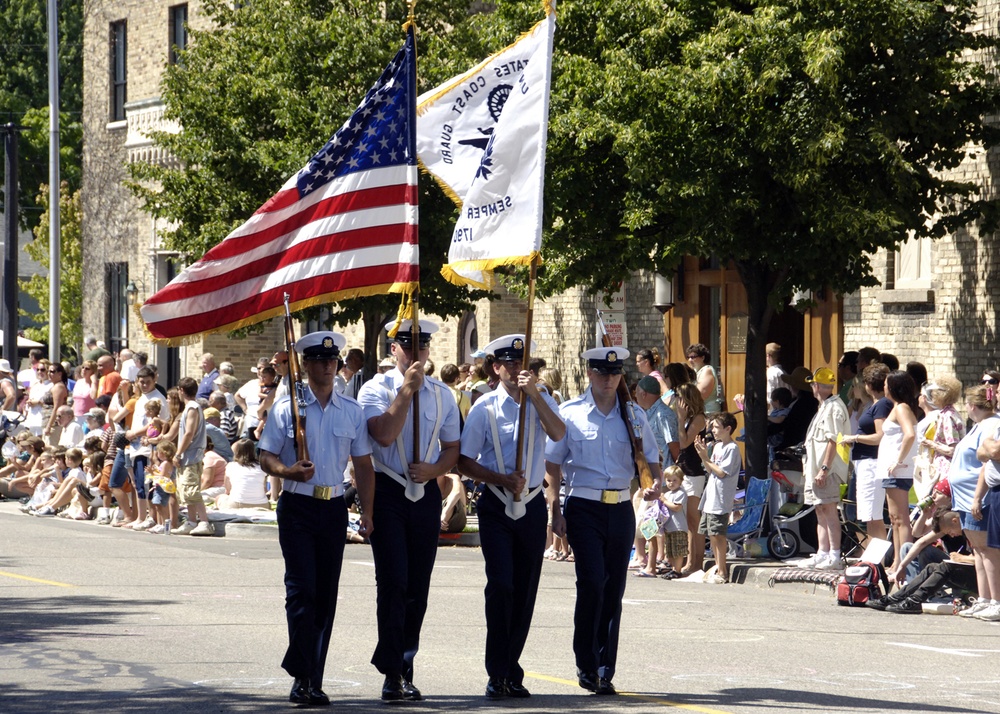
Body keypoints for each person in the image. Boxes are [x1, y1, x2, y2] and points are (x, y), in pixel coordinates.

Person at [259, 331, 375, 706]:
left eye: (333, 361)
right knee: (302, 591)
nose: (328, 366)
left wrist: (368, 512)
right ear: (306, 366)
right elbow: (265, 456)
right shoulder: (288, 408)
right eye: (320, 361)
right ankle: (302, 674)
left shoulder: (352, 411)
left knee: (324, 596)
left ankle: (312, 676)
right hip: (298, 506)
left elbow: (362, 465)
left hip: (332, 507)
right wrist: (288, 471)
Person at [546, 345, 662, 696]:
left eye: (615, 374)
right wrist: (555, 507)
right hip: (583, 505)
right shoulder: (571, 414)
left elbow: (652, 457)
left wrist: (653, 482)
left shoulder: (634, 416)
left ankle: (603, 667)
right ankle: (585, 662)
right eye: (602, 373)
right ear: (590, 375)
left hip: (621, 507)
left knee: (614, 590)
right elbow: (552, 464)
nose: (609, 379)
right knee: (592, 583)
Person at [456, 334, 565, 699]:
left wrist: (535, 395)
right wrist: (500, 478)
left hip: (532, 503)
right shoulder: (484, 408)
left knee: (525, 589)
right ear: (496, 367)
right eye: (509, 363)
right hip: (498, 503)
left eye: (522, 363)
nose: (517, 369)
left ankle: (511, 669)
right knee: (501, 584)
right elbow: (465, 461)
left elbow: (559, 433)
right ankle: (495, 669)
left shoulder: (541, 399)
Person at [357, 319, 460, 702]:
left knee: (418, 588)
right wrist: (404, 392)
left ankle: (405, 664)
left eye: (421, 347)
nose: (415, 353)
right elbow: (383, 433)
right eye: (407, 345)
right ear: (393, 349)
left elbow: (452, 447)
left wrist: (436, 470)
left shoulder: (442, 395)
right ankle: (391, 672)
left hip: (425, 493)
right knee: (394, 583)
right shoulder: (375, 389)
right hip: (388, 490)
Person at [944, 385, 999, 619]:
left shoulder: (991, 424)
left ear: (972, 405)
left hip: (978, 497)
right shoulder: (979, 426)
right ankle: (985, 598)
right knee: (978, 550)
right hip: (967, 497)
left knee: (987, 550)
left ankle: (995, 600)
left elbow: (986, 459)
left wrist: (977, 497)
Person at [797, 367, 850, 571]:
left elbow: (832, 441)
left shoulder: (834, 408)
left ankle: (835, 555)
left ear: (816, 386)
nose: (812, 387)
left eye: (812, 384)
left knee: (829, 510)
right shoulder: (825, 406)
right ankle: (823, 553)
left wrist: (824, 469)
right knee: (819, 509)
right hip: (816, 469)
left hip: (827, 470)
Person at [877, 371, 923, 570]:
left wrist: (898, 460)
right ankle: (897, 561)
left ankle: (906, 563)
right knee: (895, 519)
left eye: (886, 384)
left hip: (898, 471)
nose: (884, 387)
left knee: (901, 519)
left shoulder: (902, 408)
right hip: (891, 472)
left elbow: (910, 434)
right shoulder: (898, 407)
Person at [841, 363, 892, 541]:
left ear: (869, 385)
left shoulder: (882, 405)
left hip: (872, 462)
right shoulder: (876, 404)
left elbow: (880, 436)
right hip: (864, 462)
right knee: (868, 516)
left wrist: (854, 438)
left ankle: (877, 562)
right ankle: (873, 559)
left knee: (873, 516)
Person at [693, 412, 742, 583]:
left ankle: (723, 570)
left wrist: (705, 457)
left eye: (716, 427)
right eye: (712, 426)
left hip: (720, 498)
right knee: (712, 534)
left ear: (728, 429)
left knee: (718, 534)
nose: (713, 430)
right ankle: (718, 567)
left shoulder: (732, 448)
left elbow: (721, 472)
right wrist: (703, 456)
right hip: (710, 496)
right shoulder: (718, 446)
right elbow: (710, 469)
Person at [170, 377, 214, 536]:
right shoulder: (190, 408)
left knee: (192, 490)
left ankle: (204, 522)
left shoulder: (193, 408)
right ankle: (191, 521)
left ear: (181, 390)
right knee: (185, 490)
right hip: (188, 456)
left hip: (191, 455)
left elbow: (189, 433)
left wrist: (178, 452)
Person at [675, 382, 707, 575]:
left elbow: (684, 442)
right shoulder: (689, 418)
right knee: (687, 520)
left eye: (680, 398)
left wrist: (680, 420)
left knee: (695, 520)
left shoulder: (699, 419)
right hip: (684, 470)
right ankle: (689, 561)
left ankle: (698, 562)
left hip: (693, 472)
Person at [216, 438, 270, 510]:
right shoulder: (261, 467)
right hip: (262, 504)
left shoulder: (231, 466)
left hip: (237, 503)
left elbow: (228, 490)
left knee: (219, 498)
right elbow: (264, 488)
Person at [686, 343, 723, 415]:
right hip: (699, 414)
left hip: (708, 414)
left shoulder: (707, 370)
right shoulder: (696, 372)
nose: (690, 360)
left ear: (702, 357)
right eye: (688, 357)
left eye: (693, 357)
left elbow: (699, 396)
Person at [765, 343, 786, 407]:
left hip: (772, 412)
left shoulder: (769, 374)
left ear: (768, 356)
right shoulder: (784, 373)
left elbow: (768, 399)